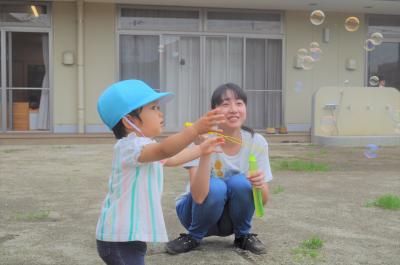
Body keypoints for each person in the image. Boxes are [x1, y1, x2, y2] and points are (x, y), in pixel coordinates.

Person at [95, 79, 225, 265]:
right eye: (153, 108)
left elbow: (172, 159)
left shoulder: (145, 147)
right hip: (118, 238)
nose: (160, 112)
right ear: (129, 121)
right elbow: (165, 150)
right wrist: (195, 129)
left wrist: (202, 149)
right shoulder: (129, 147)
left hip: (129, 236)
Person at [166, 83, 273, 255]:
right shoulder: (203, 138)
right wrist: (205, 151)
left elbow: (264, 201)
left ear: (245, 108)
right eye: (225, 104)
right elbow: (199, 197)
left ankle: (242, 236)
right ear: (213, 111)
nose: (233, 109)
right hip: (193, 214)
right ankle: (193, 236)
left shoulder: (256, 142)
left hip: (229, 220)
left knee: (242, 182)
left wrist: (259, 185)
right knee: (216, 186)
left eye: (239, 103)